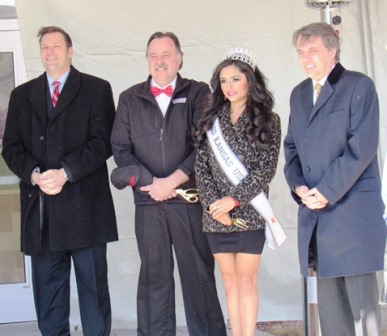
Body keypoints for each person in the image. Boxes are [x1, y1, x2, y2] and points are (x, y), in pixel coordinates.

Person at [2, 26, 118, 335]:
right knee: (49, 296)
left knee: (94, 292)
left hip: (86, 211)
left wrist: (66, 172)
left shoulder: (96, 89)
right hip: (42, 213)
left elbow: (102, 142)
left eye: (56, 46)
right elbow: (10, 148)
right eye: (44, 48)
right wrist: (35, 175)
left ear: (70, 51)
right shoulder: (21, 95)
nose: (49, 52)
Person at [110, 32, 226, 336]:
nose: (159, 61)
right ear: (147, 60)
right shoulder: (130, 98)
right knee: (154, 279)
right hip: (149, 203)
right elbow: (121, 150)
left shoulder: (201, 93)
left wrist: (173, 182)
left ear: (180, 58)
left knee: (198, 276)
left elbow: (206, 146)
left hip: (189, 200)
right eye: (153, 55)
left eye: (166, 54)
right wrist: (151, 183)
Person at [284, 22, 386, 335]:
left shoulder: (359, 86)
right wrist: (298, 186)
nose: (305, 58)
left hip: (352, 215)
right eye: (301, 52)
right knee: (331, 316)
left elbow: (362, 148)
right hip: (317, 217)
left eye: (312, 50)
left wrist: (325, 191)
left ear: (333, 50)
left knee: (364, 312)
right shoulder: (299, 94)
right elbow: (291, 148)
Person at [194, 48, 281, 336]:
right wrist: (213, 206)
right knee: (229, 282)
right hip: (216, 216)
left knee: (246, 281)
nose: (228, 87)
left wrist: (233, 200)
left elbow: (266, 170)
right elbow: (202, 168)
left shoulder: (268, 120)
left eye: (235, 79)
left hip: (249, 212)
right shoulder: (210, 120)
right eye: (223, 81)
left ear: (250, 81)